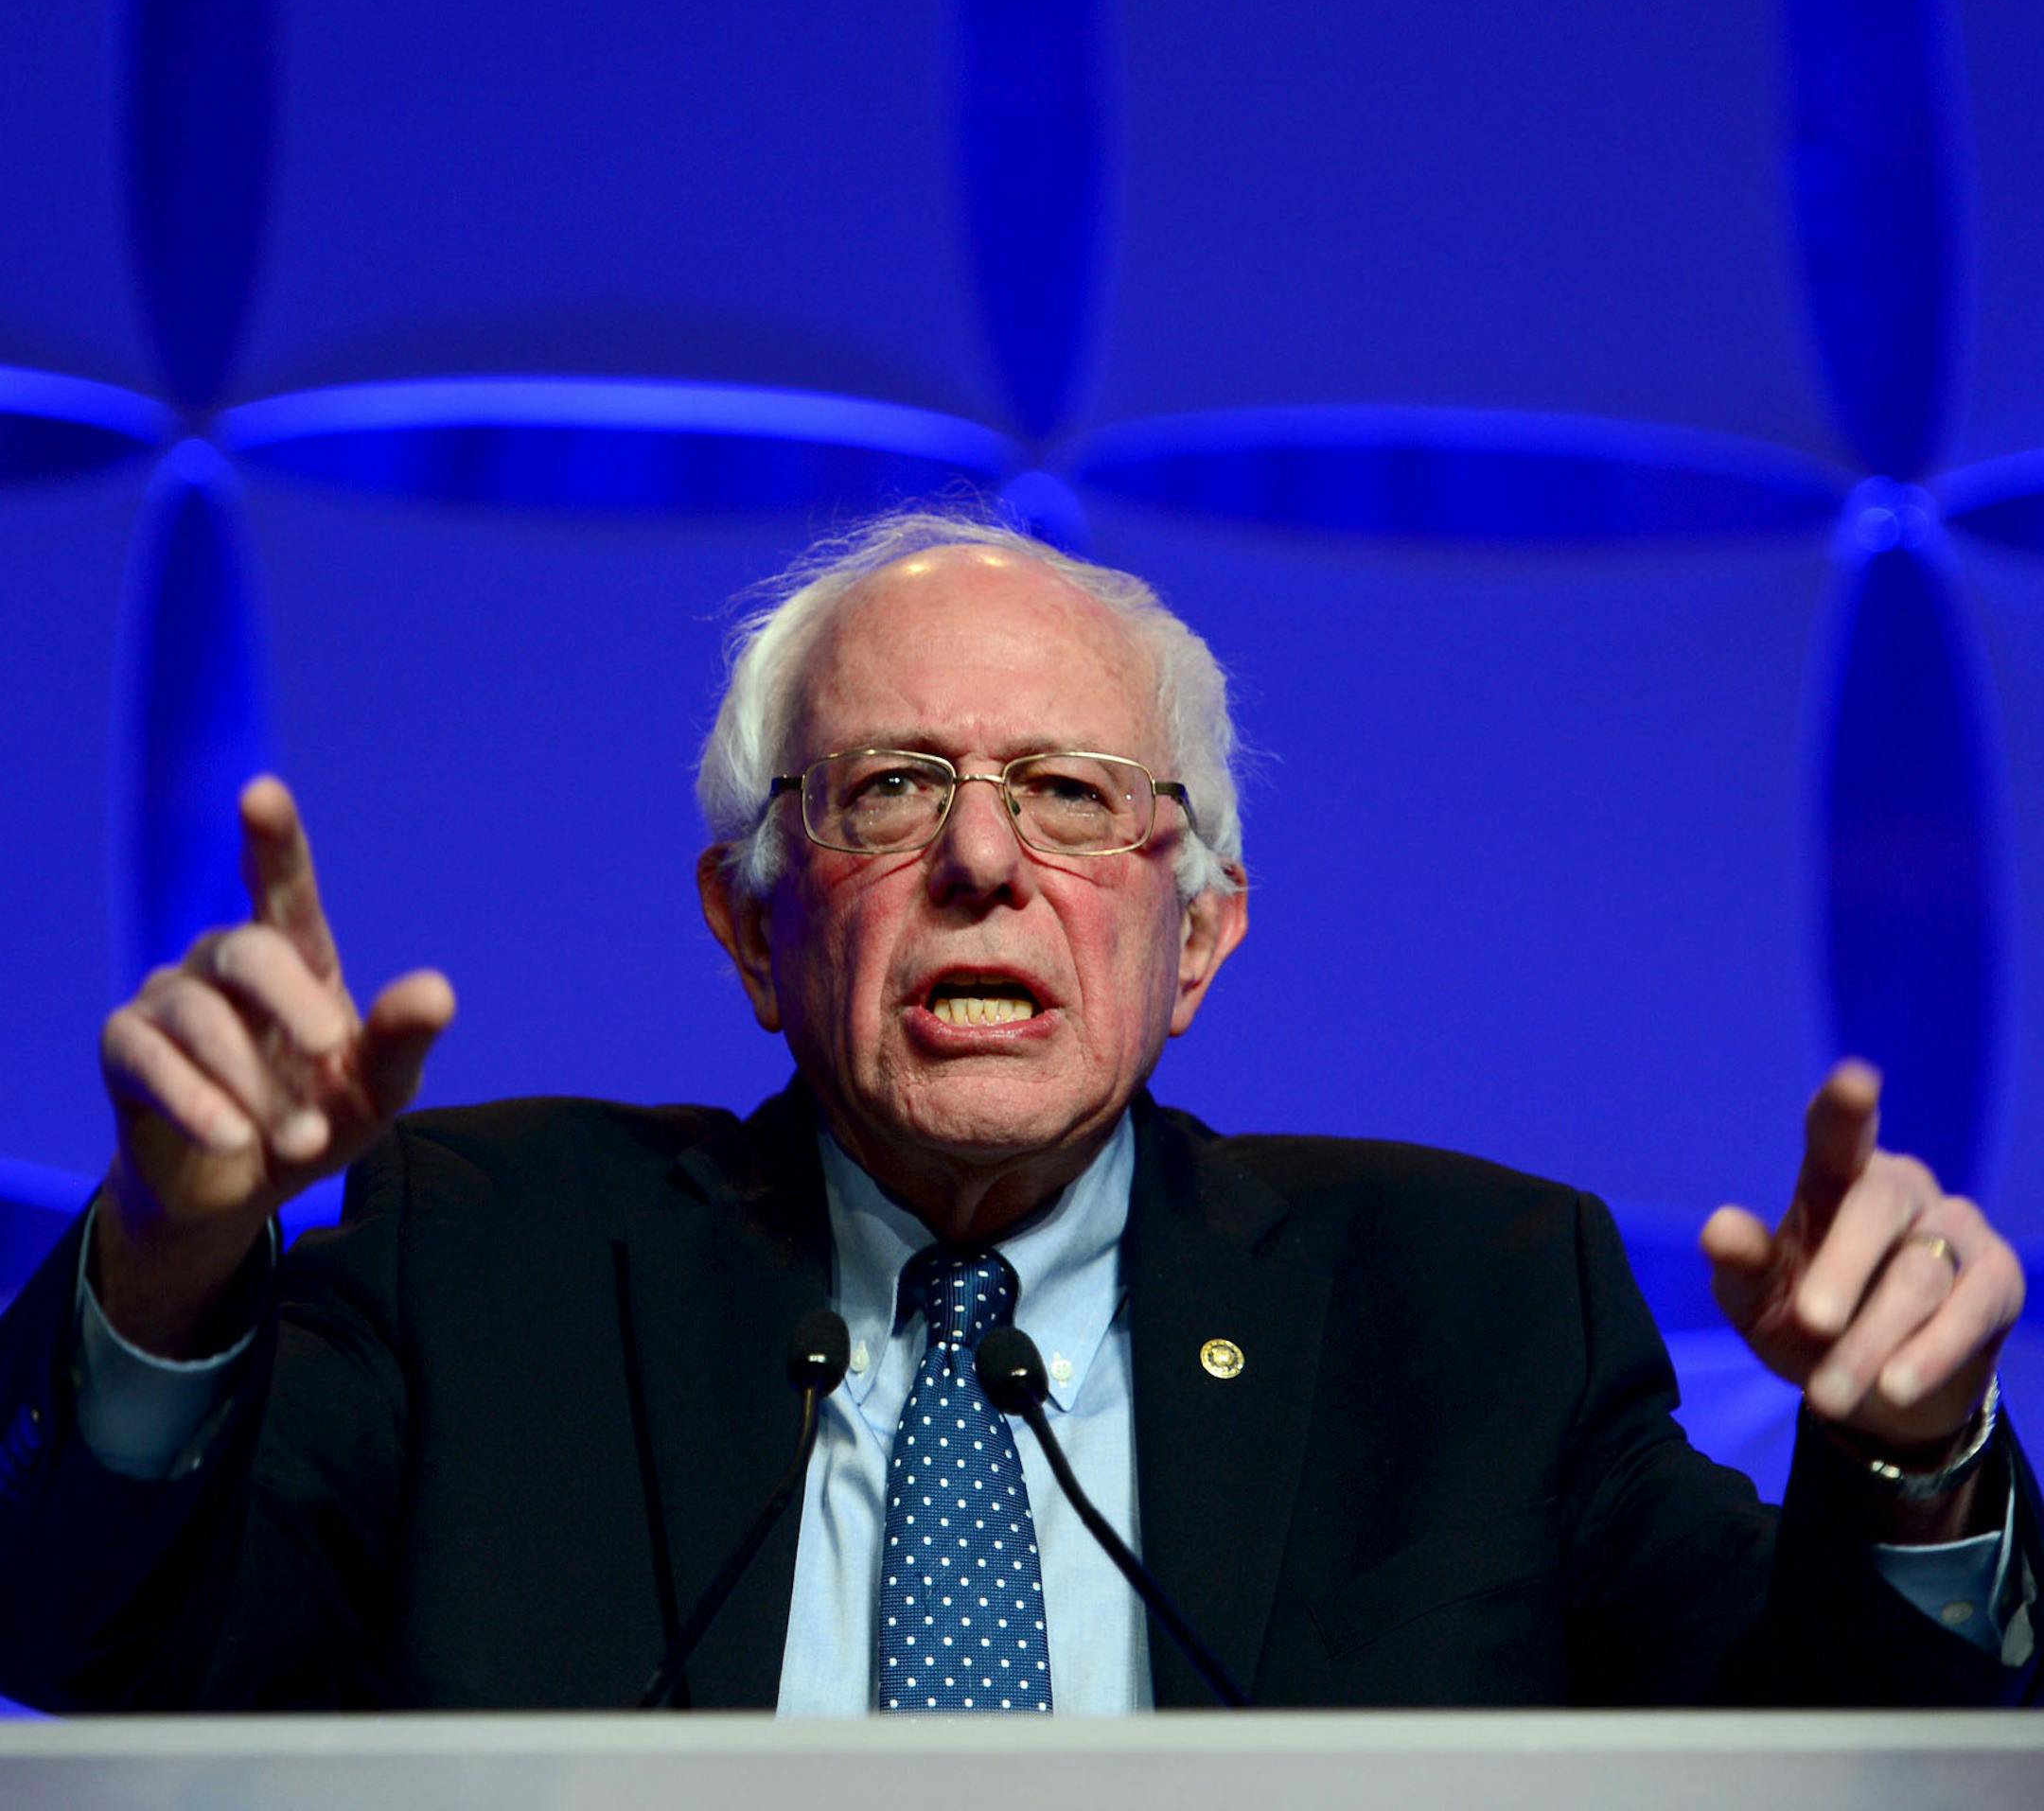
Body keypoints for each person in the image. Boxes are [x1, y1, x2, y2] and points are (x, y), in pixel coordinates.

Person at [0, 511, 2035, 1712]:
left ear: (1200, 938)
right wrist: (174, 1258)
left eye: (1072, 796)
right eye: (889, 791)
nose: (985, 861)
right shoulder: (490, 1253)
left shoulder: (1479, 1308)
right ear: (749, 925)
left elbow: (1851, 1752)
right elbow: (92, 1648)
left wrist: (1919, 1465)